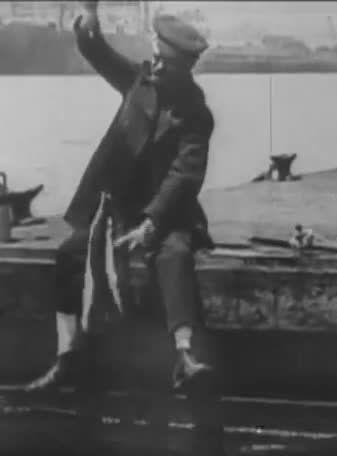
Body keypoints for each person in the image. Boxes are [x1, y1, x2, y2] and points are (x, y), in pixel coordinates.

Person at [24, 1, 216, 394]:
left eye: (170, 66)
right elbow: (97, 52)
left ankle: (186, 356)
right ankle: (67, 356)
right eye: (159, 61)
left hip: (166, 212)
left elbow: (184, 176)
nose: (159, 70)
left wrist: (151, 224)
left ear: (186, 69)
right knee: (70, 253)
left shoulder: (197, 114)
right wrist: (89, 23)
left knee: (174, 254)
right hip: (112, 206)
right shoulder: (137, 81)